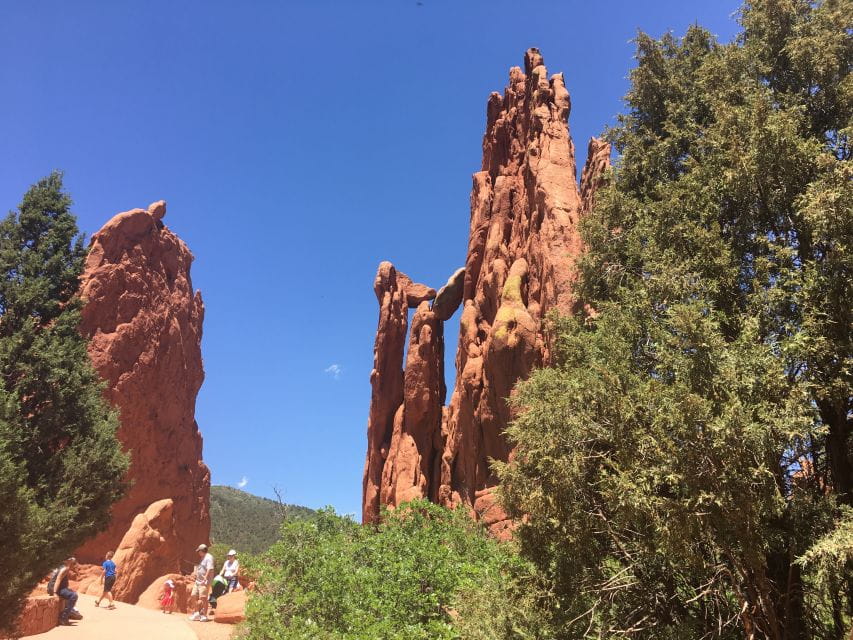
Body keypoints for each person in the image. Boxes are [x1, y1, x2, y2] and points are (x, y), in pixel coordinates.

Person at [188, 543, 214, 622]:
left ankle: (204, 616)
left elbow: (209, 569)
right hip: (198, 581)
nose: (198, 553)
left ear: (202, 551)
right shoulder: (202, 558)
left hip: (204, 582)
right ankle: (196, 614)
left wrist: (205, 579)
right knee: (193, 595)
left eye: (199, 551)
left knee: (203, 598)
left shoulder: (209, 557)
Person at [53, 557, 82, 626]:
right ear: (69, 562)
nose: (75, 565)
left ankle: (70, 612)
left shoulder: (65, 567)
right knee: (74, 596)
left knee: (72, 592)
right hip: (58, 589)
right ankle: (63, 617)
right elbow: (58, 580)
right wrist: (55, 592)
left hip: (61, 588)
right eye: (74, 563)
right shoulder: (65, 569)